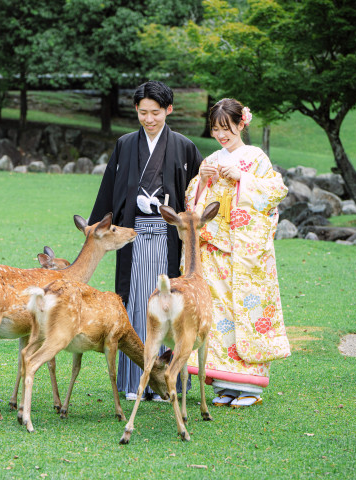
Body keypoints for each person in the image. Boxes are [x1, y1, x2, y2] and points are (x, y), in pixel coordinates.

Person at [89, 81, 203, 401]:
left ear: (169, 110)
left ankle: (168, 380)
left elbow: (196, 195)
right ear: (136, 111)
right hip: (135, 238)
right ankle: (135, 382)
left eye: (155, 112)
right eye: (142, 112)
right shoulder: (126, 144)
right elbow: (110, 188)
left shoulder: (184, 147)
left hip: (169, 239)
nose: (149, 119)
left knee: (170, 309)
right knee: (137, 306)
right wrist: (96, 227)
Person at [184, 98, 290, 408]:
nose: (221, 135)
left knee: (247, 310)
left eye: (226, 128)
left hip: (244, 252)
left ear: (241, 124)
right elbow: (194, 204)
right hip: (215, 251)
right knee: (218, 315)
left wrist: (243, 177)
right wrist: (202, 180)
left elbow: (275, 192)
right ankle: (223, 384)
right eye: (216, 129)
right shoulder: (213, 158)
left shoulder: (255, 157)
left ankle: (250, 387)